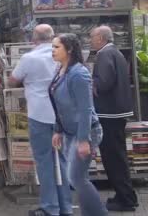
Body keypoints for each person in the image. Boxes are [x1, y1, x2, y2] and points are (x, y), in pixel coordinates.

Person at [9, 24, 72, 216]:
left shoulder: (29, 58)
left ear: (34, 39)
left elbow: (12, 80)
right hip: (62, 114)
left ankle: (49, 207)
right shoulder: (63, 55)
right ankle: (66, 207)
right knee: (62, 160)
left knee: (44, 161)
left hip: (40, 115)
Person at [50, 33, 107, 216]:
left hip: (85, 131)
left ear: (70, 49)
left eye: (56, 47)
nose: (52, 51)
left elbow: (85, 109)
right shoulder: (60, 70)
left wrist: (83, 140)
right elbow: (58, 105)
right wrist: (58, 130)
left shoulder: (79, 74)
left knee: (76, 177)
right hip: (69, 131)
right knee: (77, 178)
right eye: (52, 46)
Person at [90, 25, 138, 211]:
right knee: (117, 155)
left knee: (113, 157)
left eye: (92, 37)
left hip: (110, 113)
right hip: (117, 112)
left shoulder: (104, 55)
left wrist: (90, 82)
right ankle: (125, 195)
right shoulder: (115, 53)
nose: (90, 40)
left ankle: (125, 200)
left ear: (101, 38)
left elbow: (103, 83)